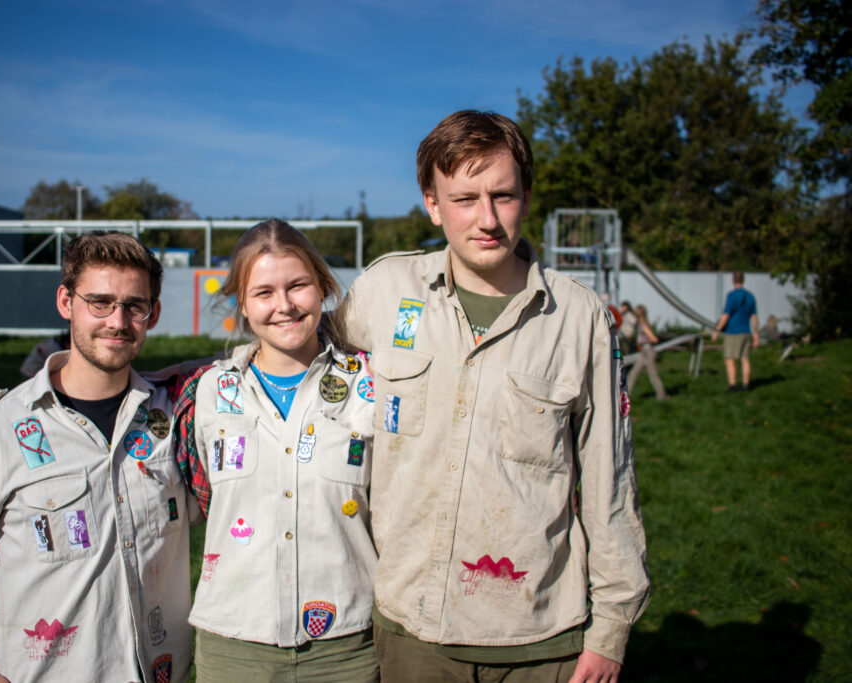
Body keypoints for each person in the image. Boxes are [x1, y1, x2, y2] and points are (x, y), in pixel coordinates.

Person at [342, 110, 649, 682]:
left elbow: (609, 481)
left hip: (540, 639)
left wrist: (611, 628)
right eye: (464, 199)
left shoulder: (578, 318)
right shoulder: (384, 291)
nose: (486, 219)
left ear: (526, 198)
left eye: (502, 196)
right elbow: (300, 361)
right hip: (413, 631)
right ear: (432, 204)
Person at [0, 231, 194, 683]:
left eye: (135, 306)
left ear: (154, 314)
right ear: (66, 302)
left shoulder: (175, 414)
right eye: (100, 302)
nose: (118, 321)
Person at [178, 219, 378, 682]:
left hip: (347, 645)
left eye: (298, 286)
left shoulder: (367, 384)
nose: (284, 305)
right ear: (242, 304)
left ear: (322, 288)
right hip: (235, 646)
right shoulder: (209, 392)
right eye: (264, 292)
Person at [711, 272, 759, 392]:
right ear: (743, 280)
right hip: (746, 332)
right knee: (745, 359)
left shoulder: (731, 296)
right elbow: (754, 317)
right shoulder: (750, 296)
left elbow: (726, 315)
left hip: (733, 332)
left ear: (733, 280)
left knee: (729, 359)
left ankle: (732, 386)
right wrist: (756, 334)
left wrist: (717, 330)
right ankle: (745, 385)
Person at [626, 305, 668, 401]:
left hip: (648, 351)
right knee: (633, 373)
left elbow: (654, 339)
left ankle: (661, 396)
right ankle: (624, 396)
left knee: (653, 375)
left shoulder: (644, 325)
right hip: (643, 352)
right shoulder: (640, 325)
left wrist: (644, 341)